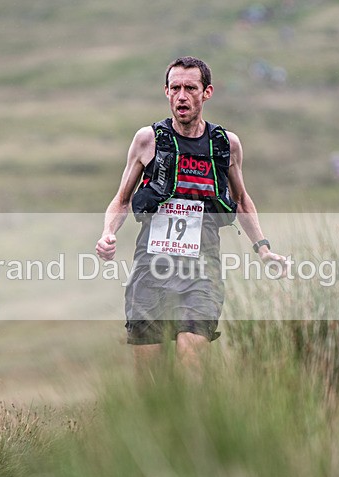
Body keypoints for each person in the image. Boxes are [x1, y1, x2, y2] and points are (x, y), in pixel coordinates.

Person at [95, 56, 285, 372]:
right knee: (151, 379)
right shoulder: (148, 140)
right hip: (151, 269)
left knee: (190, 356)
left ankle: (197, 422)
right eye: (175, 88)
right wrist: (107, 233)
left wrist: (263, 250)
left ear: (206, 92)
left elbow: (240, 200)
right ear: (166, 92)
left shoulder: (226, 144)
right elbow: (122, 200)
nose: (182, 96)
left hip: (202, 271)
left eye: (190, 88)